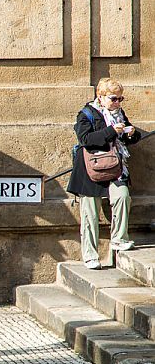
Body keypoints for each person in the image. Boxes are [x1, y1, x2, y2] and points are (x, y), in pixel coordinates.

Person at [67, 79, 141, 270]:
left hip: (115, 166)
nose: (117, 103)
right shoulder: (86, 114)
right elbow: (85, 139)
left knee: (123, 197)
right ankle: (91, 256)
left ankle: (119, 238)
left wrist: (131, 133)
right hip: (91, 170)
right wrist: (110, 131)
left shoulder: (119, 113)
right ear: (100, 96)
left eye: (120, 99)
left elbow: (128, 138)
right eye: (114, 99)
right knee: (90, 214)